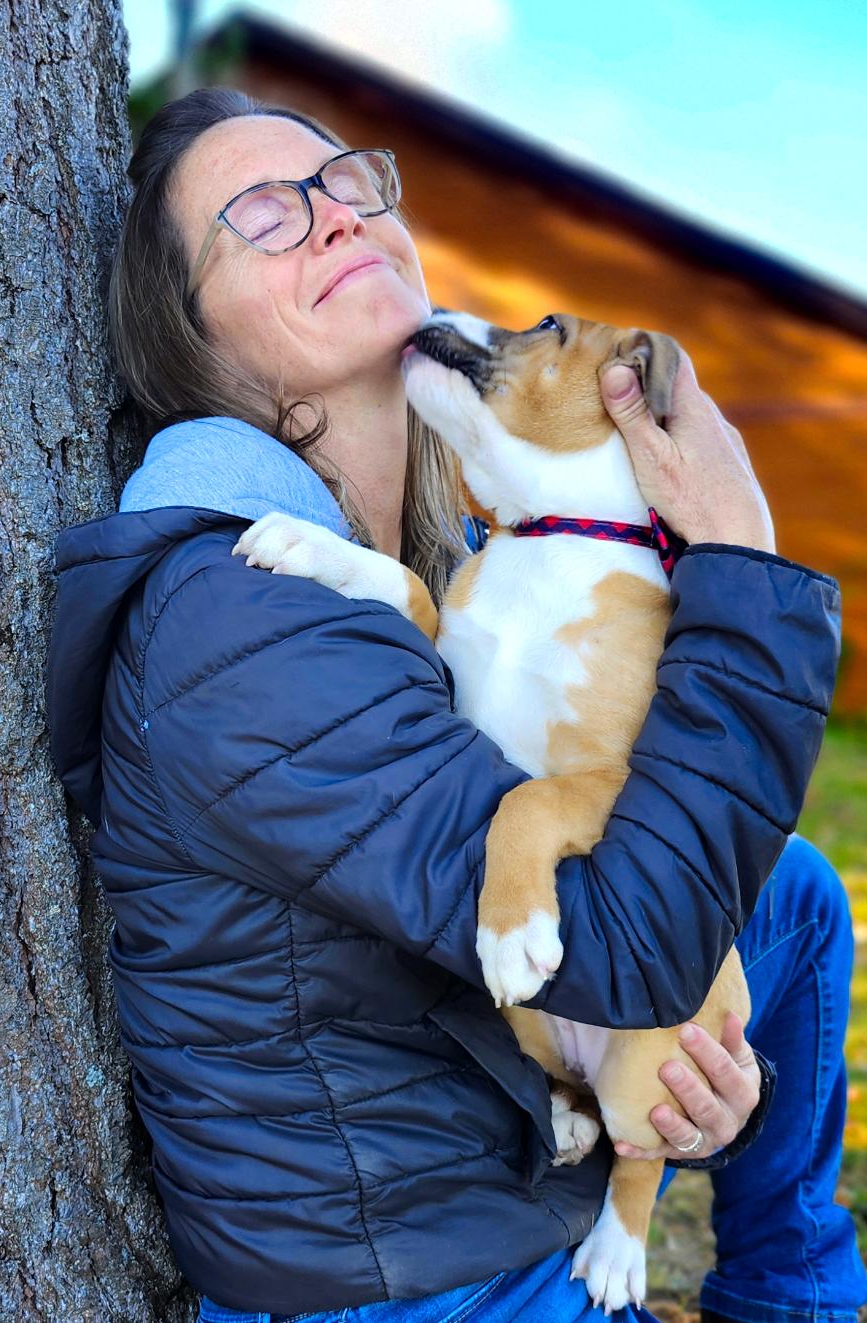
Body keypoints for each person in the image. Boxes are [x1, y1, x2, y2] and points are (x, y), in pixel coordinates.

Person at [44, 88, 867, 1323]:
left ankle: (796, 1285)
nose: (332, 220)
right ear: (189, 330)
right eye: (264, 216)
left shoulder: (449, 564)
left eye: (349, 186)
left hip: (506, 1178)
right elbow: (619, 952)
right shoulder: (237, 614)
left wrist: (703, 1076)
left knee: (793, 895)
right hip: (419, 1279)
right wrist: (736, 559)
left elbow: (673, 918)